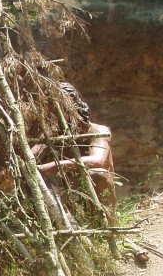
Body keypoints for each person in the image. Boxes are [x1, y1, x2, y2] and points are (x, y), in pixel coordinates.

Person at [33, 83, 116, 218]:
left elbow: (98, 160)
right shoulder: (52, 133)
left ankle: (105, 223)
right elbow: (31, 158)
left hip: (91, 187)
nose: (56, 115)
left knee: (98, 174)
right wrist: (45, 138)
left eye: (61, 109)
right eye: (51, 111)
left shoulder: (97, 131)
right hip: (65, 190)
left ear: (74, 107)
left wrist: (53, 166)